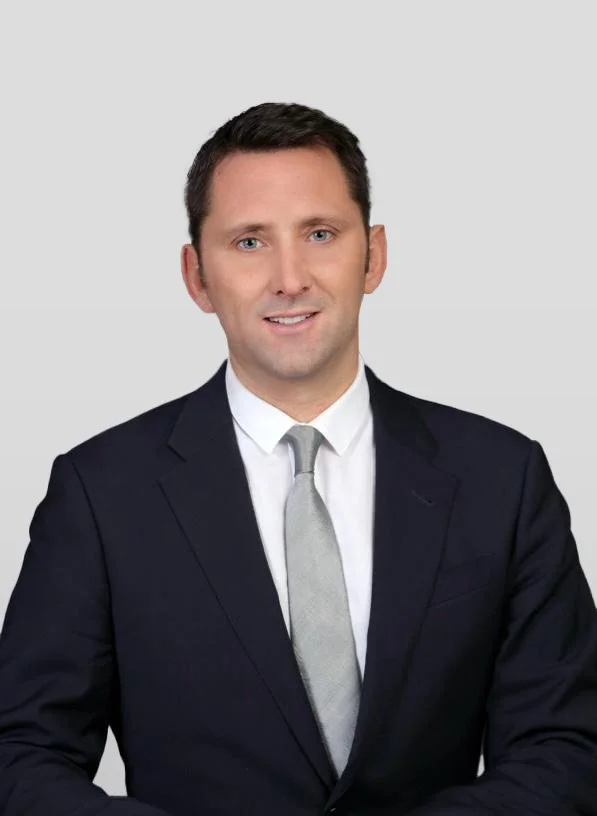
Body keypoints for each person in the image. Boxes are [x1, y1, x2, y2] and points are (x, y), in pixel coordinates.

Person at [0, 101, 596, 816]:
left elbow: (566, 746)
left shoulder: (502, 478)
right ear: (196, 276)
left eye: (320, 234)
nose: (290, 277)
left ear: (373, 255)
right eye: (249, 241)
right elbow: (22, 755)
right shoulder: (101, 493)